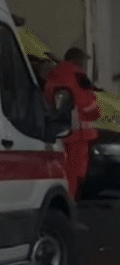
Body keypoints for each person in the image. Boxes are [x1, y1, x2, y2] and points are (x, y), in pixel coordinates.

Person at [44, 47, 100, 201]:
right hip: (77, 135)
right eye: (83, 60)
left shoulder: (54, 73)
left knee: (60, 172)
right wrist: (96, 112)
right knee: (75, 173)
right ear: (77, 60)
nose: (84, 64)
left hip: (57, 132)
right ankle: (69, 204)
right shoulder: (78, 74)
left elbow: (48, 98)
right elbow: (87, 101)